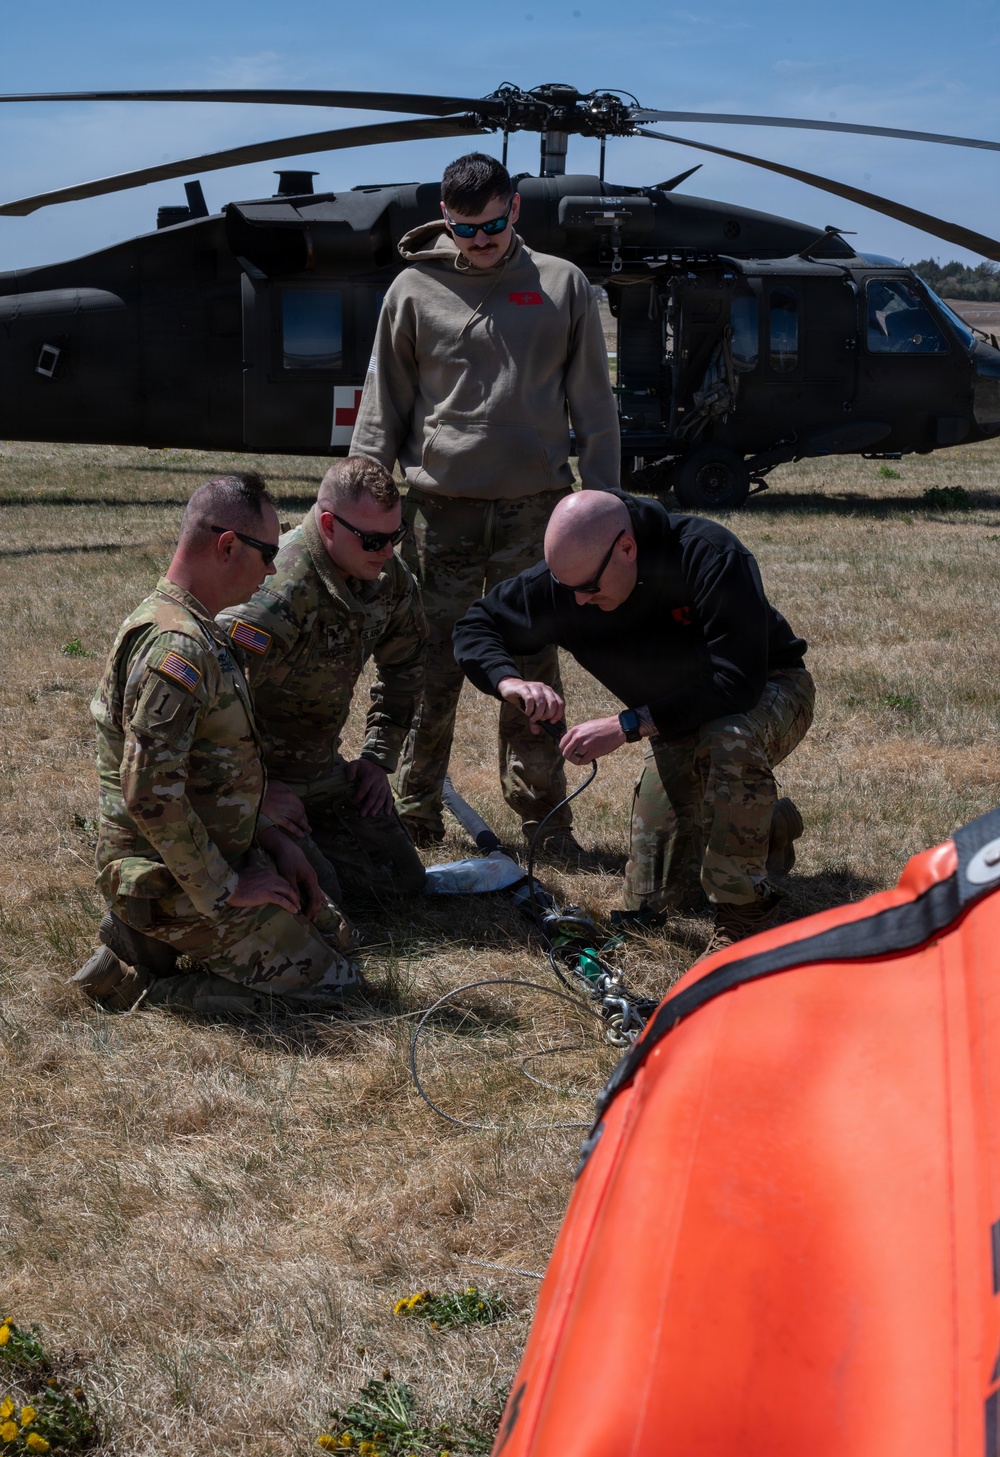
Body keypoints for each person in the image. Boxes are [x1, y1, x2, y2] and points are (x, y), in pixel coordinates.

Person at [349, 151, 620, 851]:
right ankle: (411, 812)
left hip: (536, 511)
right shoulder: (412, 290)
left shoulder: (562, 285)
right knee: (428, 659)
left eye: (493, 226)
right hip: (440, 514)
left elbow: (594, 407)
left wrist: (611, 511)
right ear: (446, 218)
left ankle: (544, 822)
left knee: (531, 665)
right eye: (466, 229)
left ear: (515, 210)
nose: (480, 241)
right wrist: (356, 514)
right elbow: (380, 413)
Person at [452, 489, 815, 945]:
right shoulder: (572, 581)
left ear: (627, 548)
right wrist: (511, 682)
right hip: (675, 721)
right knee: (657, 901)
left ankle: (743, 915)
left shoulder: (707, 553)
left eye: (588, 588)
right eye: (567, 590)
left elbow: (736, 682)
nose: (579, 602)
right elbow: (475, 625)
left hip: (768, 690)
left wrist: (627, 725)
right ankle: (768, 826)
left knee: (727, 738)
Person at [72, 472, 361, 1017]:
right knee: (333, 988)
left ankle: (153, 941)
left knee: (338, 935)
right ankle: (135, 983)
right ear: (227, 545)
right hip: (161, 874)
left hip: (213, 853)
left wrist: (274, 843)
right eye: (267, 553)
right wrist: (227, 889)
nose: (274, 569)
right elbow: (150, 795)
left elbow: (217, 774)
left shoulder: (202, 631)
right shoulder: (176, 648)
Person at [218, 456, 427, 909]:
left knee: (399, 882)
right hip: (250, 780)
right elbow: (209, 706)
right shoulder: (276, 596)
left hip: (319, 772)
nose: (388, 551)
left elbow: (407, 664)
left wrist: (376, 756)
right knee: (320, 898)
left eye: (397, 535)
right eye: (374, 539)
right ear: (329, 525)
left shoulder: (387, 576)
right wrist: (255, 791)